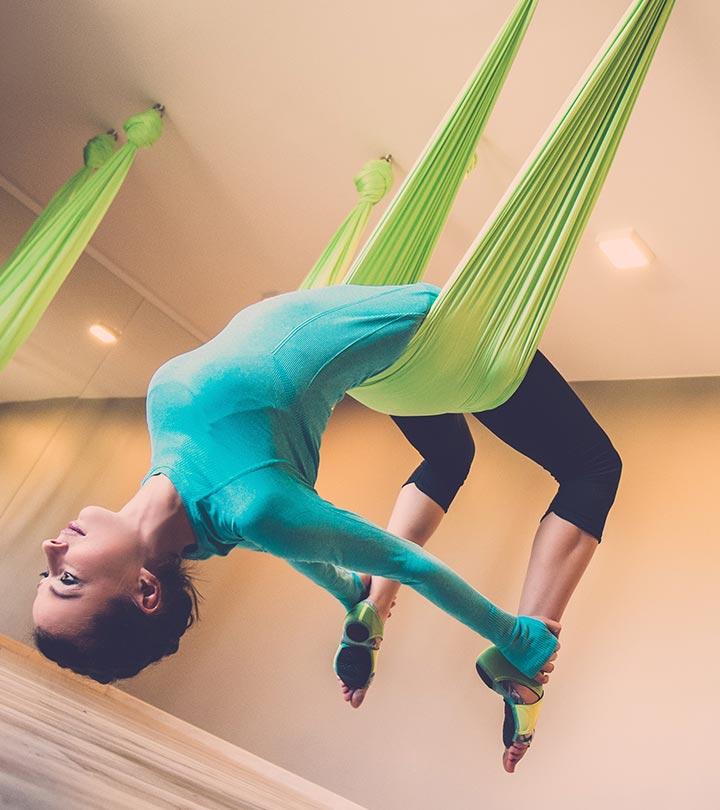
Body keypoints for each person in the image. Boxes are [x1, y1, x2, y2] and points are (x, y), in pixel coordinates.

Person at [31, 279, 617, 770]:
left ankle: (370, 609)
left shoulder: (196, 507)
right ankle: (522, 660)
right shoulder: (253, 507)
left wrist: (348, 596)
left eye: (45, 573)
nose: (53, 548)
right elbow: (403, 561)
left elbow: (295, 545)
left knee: (448, 459)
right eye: (69, 581)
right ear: (146, 589)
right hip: (445, 332)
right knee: (595, 467)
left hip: (390, 371)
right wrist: (513, 633)